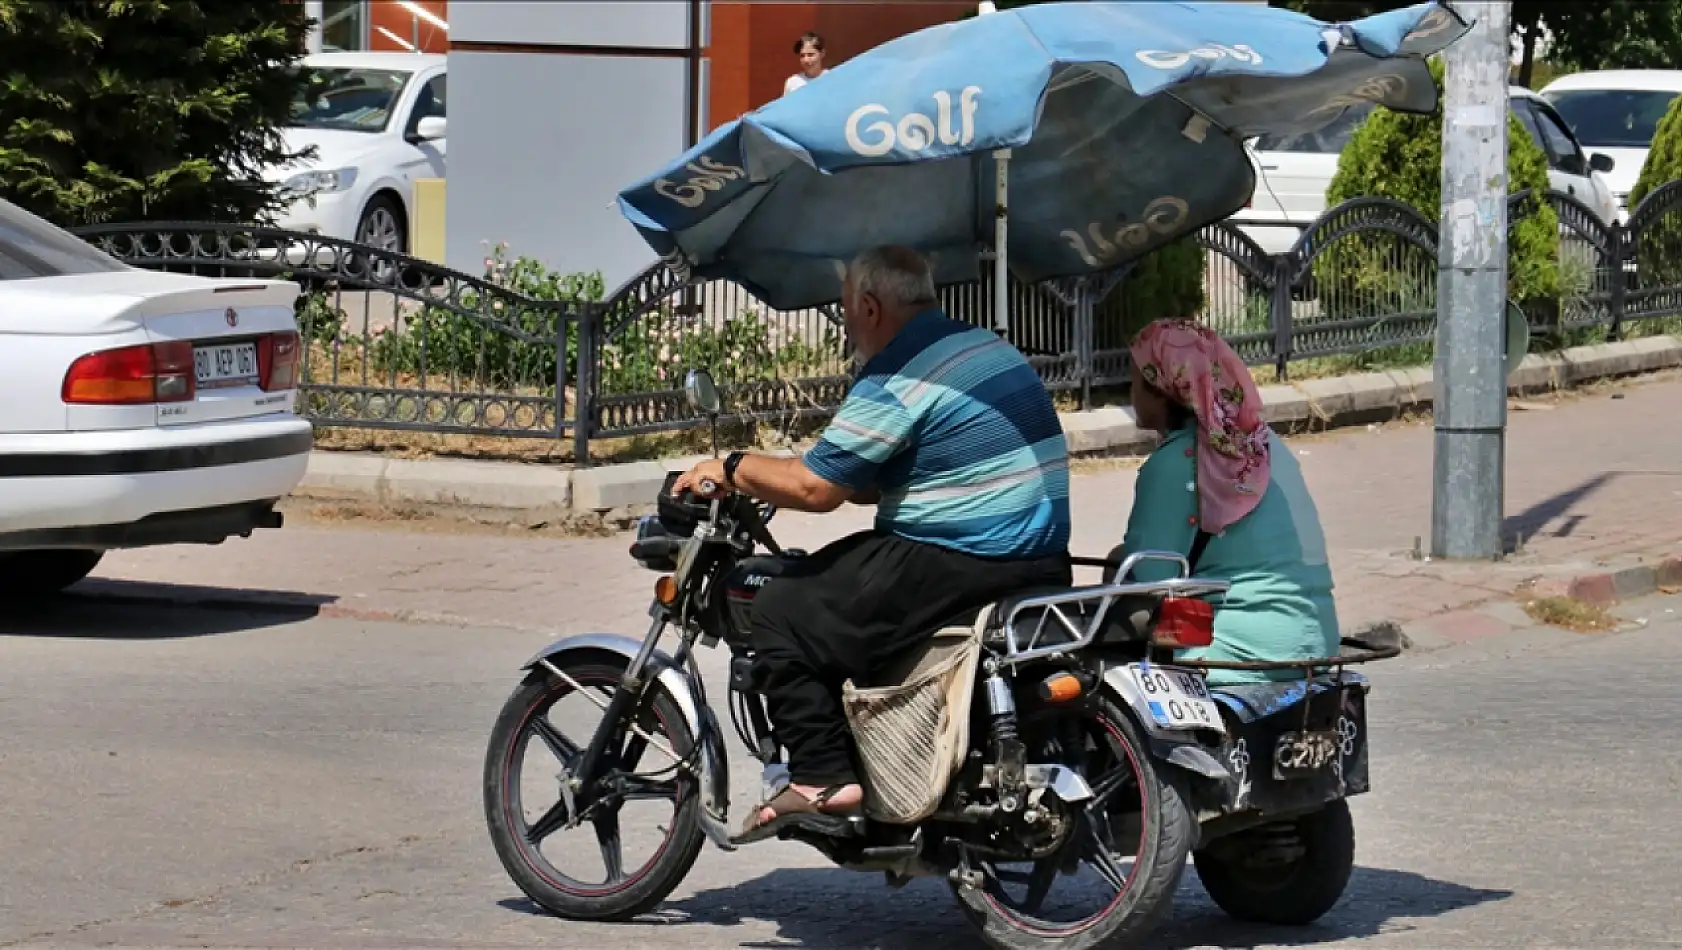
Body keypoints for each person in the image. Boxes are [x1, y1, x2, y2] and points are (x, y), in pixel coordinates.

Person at [671, 245, 1072, 842]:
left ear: (869, 305)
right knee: (840, 585)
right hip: (1038, 560)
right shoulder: (984, 346)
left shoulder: (897, 374)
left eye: (846, 310)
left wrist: (729, 467)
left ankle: (820, 777)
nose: (847, 326)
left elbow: (815, 488)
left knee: (783, 608)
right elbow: (873, 475)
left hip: (960, 557)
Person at [1118, 318, 1340, 686]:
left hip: (1241, 652)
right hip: (1318, 638)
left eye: (1136, 382)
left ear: (1163, 388)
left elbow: (1148, 582)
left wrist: (1117, 563)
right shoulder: (1265, 444)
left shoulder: (1174, 463)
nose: (1131, 394)